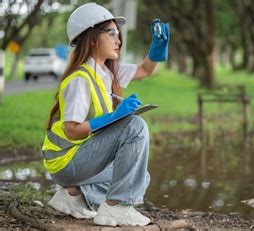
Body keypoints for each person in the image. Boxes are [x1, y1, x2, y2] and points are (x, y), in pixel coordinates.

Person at [41, 2, 169, 227]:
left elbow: (146, 69)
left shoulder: (107, 71)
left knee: (139, 177)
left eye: (118, 35)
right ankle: (116, 208)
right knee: (134, 126)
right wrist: (115, 117)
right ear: (91, 38)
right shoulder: (80, 79)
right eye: (112, 34)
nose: (118, 40)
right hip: (65, 161)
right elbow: (71, 130)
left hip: (79, 161)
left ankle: (72, 195)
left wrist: (158, 47)